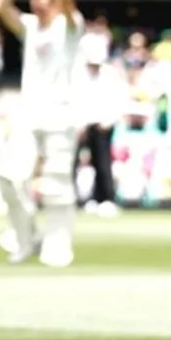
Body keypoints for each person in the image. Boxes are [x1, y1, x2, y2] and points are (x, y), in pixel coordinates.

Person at [0, 0, 84, 268]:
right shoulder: (30, 27)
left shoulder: (71, 27)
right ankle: (26, 236)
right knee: (8, 175)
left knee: (58, 184)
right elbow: (0, 6)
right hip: (29, 116)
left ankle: (58, 245)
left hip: (61, 116)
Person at [76, 34, 120, 217]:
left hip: (103, 125)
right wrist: (79, 124)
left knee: (102, 163)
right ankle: (75, 200)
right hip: (80, 126)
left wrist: (108, 121)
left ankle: (105, 198)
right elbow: (76, 99)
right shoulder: (77, 74)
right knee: (72, 163)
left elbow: (115, 98)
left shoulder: (109, 74)